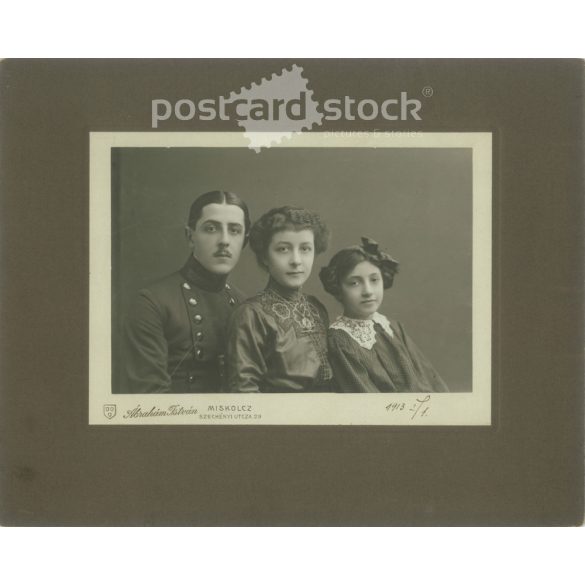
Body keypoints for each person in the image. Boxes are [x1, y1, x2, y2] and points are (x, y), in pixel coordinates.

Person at [123, 190, 250, 393]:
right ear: (190, 236)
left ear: (244, 241)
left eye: (235, 230)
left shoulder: (245, 305)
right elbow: (150, 399)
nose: (224, 240)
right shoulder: (151, 302)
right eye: (211, 228)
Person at [319, 237, 449, 393]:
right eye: (354, 283)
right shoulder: (341, 341)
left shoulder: (392, 327)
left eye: (374, 280)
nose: (368, 291)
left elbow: (428, 377)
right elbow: (365, 397)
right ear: (338, 289)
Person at [226, 206, 333, 393]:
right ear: (265, 257)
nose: (297, 260)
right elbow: (244, 391)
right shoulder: (251, 315)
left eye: (305, 249)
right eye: (283, 249)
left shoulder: (316, 308)